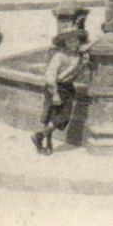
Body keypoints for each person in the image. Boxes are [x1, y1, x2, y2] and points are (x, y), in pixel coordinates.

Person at [32, 27, 90, 155]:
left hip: (68, 87)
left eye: (76, 41)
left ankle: (42, 137)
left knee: (61, 117)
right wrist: (55, 94)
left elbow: (78, 68)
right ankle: (44, 139)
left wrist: (84, 61)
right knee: (54, 115)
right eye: (70, 42)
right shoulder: (59, 56)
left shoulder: (78, 55)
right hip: (56, 87)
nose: (74, 44)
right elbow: (50, 76)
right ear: (65, 43)